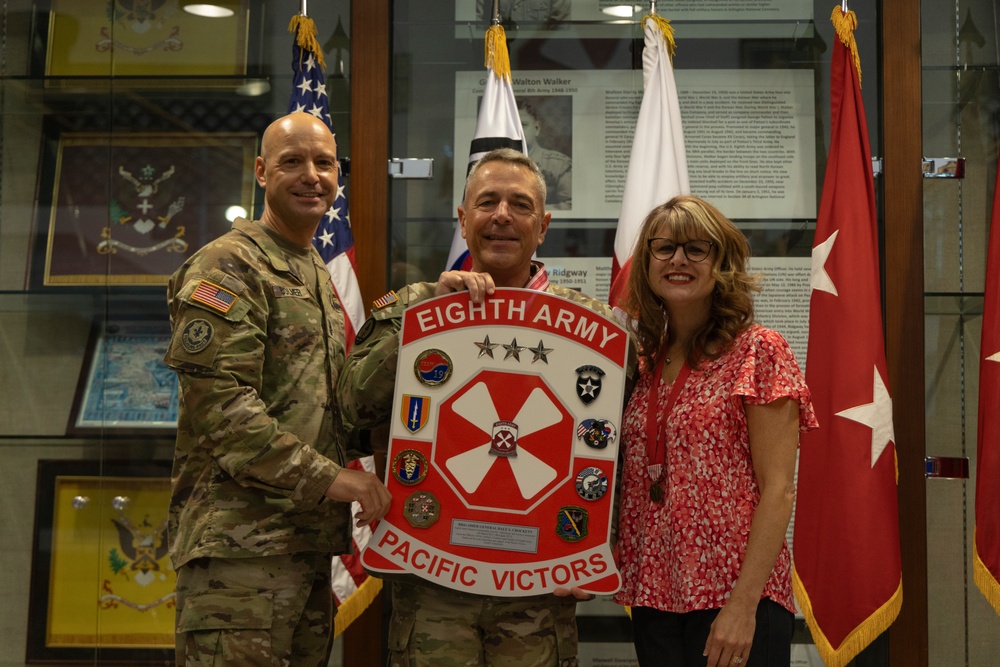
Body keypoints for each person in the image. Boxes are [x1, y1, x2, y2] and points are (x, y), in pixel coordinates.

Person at [339, 147, 625, 667]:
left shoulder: (597, 329)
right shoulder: (412, 307)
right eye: (487, 201)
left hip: (540, 589)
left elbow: (617, 447)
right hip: (432, 582)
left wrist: (598, 549)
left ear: (543, 225)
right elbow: (352, 405)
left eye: (520, 205)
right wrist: (427, 317)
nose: (502, 216)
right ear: (463, 219)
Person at [163, 112, 392, 666]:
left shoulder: (311, 267)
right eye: (292, 162)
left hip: (305, 549)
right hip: (239, 559)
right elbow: (223, 412)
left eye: (324, 163)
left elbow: (334, 407)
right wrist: (338, 482)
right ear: (262, 171)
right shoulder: (229, 266)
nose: (311, 175)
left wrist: (428, 304)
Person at [613, 195, 818, 667]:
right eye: (663, 249)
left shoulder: (758, 351)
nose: (678, 260)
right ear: (646, 264)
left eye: (695, 249)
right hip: (654, 596)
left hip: (734, 596)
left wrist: (743, 605)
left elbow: (779, 491)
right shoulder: (642, 364)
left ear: (721, 262)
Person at [518, 100, 572, 210]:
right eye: (511, 126)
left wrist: (530, 212)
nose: (517, 131)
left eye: (523, 125)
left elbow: (569, 205)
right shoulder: (492, 166)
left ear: (536, 128)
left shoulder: (559, 164)